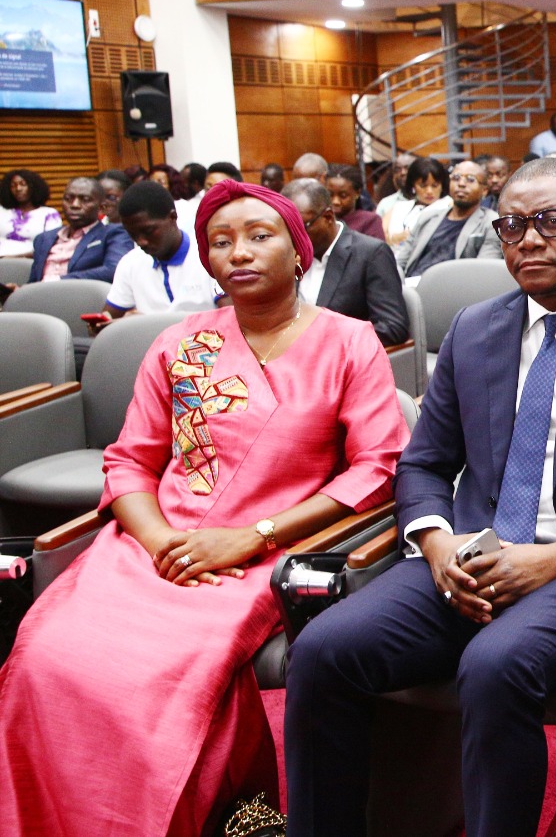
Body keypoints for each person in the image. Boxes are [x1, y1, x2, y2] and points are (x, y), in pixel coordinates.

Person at [286, 156, 556, 836]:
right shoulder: (473, 329)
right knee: (322, 650)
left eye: (550, 221)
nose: (528, 240)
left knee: (493, 666)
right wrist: (437, 544)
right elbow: (425, 463)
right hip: (465, 559)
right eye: (512, 225)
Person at [0, 179, 407, 837]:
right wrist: (159, 541)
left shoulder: (349, 342)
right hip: (151, 547)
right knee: (44, 655)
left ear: (298, 252)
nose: (238, 252)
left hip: (259, 556)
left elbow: (377, 467)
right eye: (220, 242)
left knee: (158, 683)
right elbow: (130, 462)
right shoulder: (180, 342)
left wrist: (254, 535)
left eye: (258, 236)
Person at [284, 179, 409, 346]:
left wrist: (327, 346)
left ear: (328, 217)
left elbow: (393, 328)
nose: (292, 238)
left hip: (341, 356)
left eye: (301, 229)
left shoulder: (371, 254)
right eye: (286, 230)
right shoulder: (289, 256)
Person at [105, 182, 220, 318]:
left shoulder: (210, 256)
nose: (141, 242)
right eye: (133, 234)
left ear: (172, 217)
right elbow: (106, 321)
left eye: (148, 231)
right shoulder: (130, 263)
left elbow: (232, 319)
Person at [394, 160, 501, 284]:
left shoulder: (491, 223)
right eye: (456, 178)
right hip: (411, 285)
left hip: (455, 287)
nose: (461, 184)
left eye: (470, 179)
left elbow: (483, 272)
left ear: (484, 190)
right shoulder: (427, 217)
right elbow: (400, 261)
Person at [24, 177, 132, 285]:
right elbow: (34, 282)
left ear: (101, 208)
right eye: (68, 199)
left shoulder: (114, 233)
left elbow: (114, 270)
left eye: (85, 200)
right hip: (41, 294)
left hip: (83, 294)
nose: (74, 205)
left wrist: (58, 281)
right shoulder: (44, 238)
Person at [382, 156, 446, 247]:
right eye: (423, 186)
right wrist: (394, 238)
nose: (429, 191)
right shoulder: (399, 207)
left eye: (435, 185)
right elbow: (381, 236)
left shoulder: (448, 206)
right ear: (413, 185)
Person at [1, 169, 61, 257]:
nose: (18, 189)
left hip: (32, 261)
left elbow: (50, 246)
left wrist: (15, 257)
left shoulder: (49, 214)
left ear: (33, 187)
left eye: (23, 184)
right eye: (13, 186)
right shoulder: (2, 211)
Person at [321, 164, 385, 241]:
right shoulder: (319, 220)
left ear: (357, 193)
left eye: (343, 196)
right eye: (330, 195)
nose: (335, 201)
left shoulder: (370, 220)